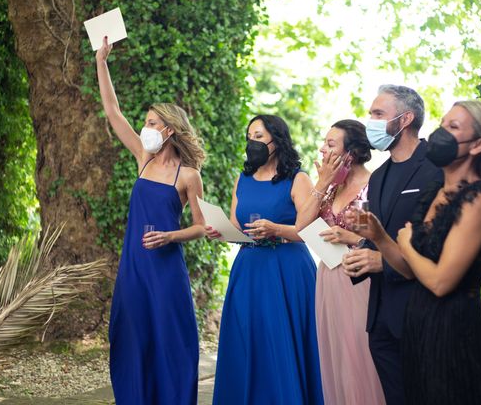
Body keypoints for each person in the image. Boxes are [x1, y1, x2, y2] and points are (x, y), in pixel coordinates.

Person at [354, 100, 481, 404]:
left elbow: (439, 282)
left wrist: (408, 244)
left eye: (453, 127)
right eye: (443, 123)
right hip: (418, 325)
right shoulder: (437, 193)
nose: (441, 133)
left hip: (451, 330)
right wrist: (381, 237)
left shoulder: (478, 201)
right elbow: (410, 269)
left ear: (477, 144)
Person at [96, 37, 206, 404]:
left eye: (152, 122)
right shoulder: (142, 157)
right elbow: (113, 112)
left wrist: (171, 236)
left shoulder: (189, 176)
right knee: (129, 336)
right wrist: (102, 62)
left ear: (169, 130)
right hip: (134, 266)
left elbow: (200, 228)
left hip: (166, 270)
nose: (145, 127)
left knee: (171, 340)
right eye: (144, 121)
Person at [206, 115, 324, 405]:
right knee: (248, 341)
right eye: (249, 136)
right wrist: (221, 232)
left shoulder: (298, 179)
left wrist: (277, 229)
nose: (252, 142)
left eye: (258, 136)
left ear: (276, 140)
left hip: (286, 270)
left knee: (280, 342)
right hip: (249, 270)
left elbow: (314, 230)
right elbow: (236, 226)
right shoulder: (242, 178)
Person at [341, 85, 443, 405]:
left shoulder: (437, 169)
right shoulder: (379, 174)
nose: (370, 121)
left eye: (378, 114)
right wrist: (360, 251)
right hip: (381, 316)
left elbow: (437, 248)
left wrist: (380, 261)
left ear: (405, 119)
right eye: (371, 113)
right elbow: (377, 233)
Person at [295, 119, 386, 405]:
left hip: (358, 277)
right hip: (328, 277)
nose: (322, 149)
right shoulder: (331, 188)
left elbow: (373, 238)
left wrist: (347, 235)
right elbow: (301, 225)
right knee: (335, 358)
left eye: (331, 144)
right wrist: (322, 183)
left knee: (359, 356)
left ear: (352, 153)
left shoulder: (371, 186)